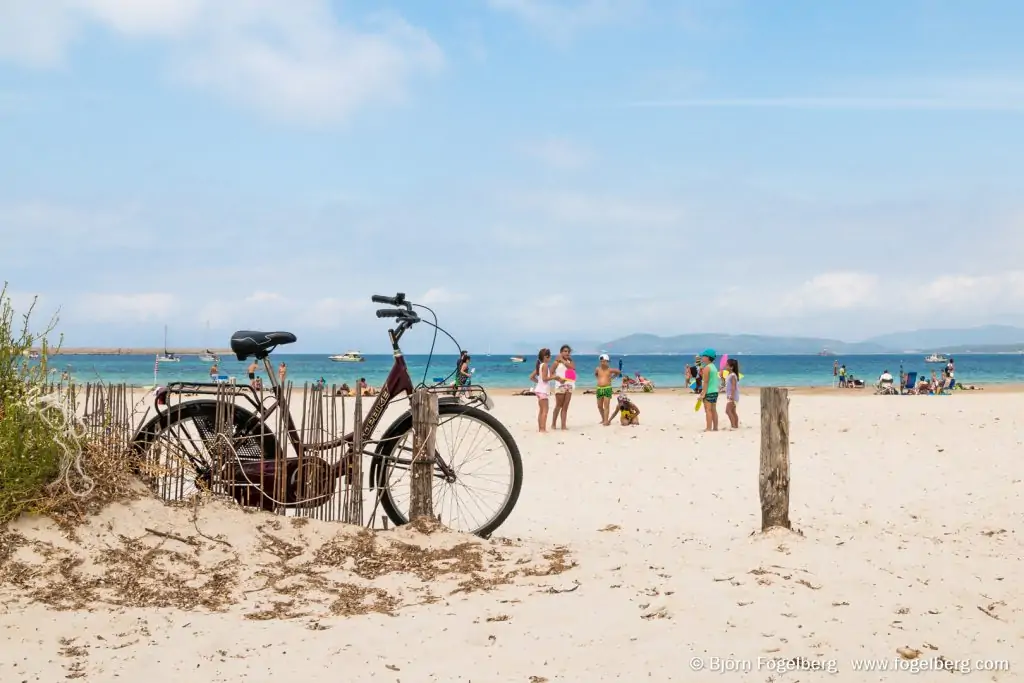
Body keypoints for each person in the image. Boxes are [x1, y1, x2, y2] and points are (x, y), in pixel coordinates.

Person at [529, 348, 556, 432]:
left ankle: (540, 428)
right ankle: (543, 428)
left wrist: (538, 382)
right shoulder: (545, 365)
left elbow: (531, 377)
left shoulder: (540, 365)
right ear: (546, 357)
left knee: (541, 410)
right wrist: (554, 377)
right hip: (543, 391)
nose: (550, 358)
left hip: (539, 390)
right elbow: (544, 378)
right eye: (549, 356)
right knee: (545, 410)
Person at [550, 344, 575, 430]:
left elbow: (572, 368)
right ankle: (553, 423)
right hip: (560, 385)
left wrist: (563, 360)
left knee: (565, 406)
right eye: (565, 351)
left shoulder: (570, 362)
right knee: (558, 405)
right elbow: (551, 373)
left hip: (569, 385)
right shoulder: (556, 362)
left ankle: (563, 425)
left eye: (568, 351)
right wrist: (558, 378)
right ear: (561, 352)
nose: (567, 353)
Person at [594, 354, 622, 426]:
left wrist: (612, 378)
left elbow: (618, 371)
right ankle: (603, 419)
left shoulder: (610, 370)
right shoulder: (598, 369)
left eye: (604, 361)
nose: (602, 363)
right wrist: (598, 379)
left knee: (606, 405)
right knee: (599, 406)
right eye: (601, 361)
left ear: (607, 362)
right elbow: (596, 374)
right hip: (599, 388)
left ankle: (606, 421)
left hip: (607, 388)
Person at [698, 348, 719, 432]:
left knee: (708, 410)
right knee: (713, 410)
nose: (702, 357)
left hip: (709, 391)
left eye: (703, 356)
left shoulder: (707, 368)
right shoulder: (714, 367)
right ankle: (715, 427)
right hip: (715, 391)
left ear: (708, 357)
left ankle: (708, 428)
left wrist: (703, 393)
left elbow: (705, 382)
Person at [724, 358, 740, 428]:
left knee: (728, 411)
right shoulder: (729, 375)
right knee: (733, 411)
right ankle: (735, 425)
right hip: (731, 395)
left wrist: (732, 395)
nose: (725, 365)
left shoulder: (733, 375)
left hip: (733, 396)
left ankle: (733, 425)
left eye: (727, 365)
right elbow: (728, 385)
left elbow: (733, 387)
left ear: (731, 367)